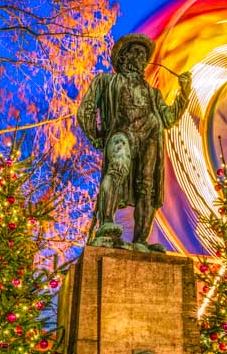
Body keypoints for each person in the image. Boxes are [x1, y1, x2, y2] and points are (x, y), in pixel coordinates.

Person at [74, 33, 191, 250]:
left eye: (144, 55)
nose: (141, 58)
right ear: (124, 57)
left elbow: (168, 118)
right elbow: (86, 109)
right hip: (121, 133)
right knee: (118, 167)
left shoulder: (153, 94)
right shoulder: (106, 81)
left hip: (149, 139)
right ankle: (107, 223)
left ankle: (140, 241)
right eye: (136, 53)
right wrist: (95, 136)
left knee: (147, 188)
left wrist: (184, 94)